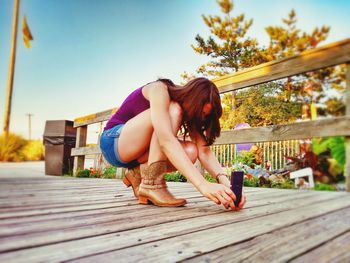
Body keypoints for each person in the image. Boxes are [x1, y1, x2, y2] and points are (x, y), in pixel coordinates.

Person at [100, 77, 246, 210]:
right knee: (174, 110)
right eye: (200, 113)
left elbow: (204, 151)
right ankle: (152, 185)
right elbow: (165, 140)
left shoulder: (188, 109)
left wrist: (226, 184)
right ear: (192, 100)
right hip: (114, 142)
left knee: (191, 151)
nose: (201, 118)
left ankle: (137, 173)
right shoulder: (160, 90)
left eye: (205, 115)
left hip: (136, 154)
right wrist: (203, 185)